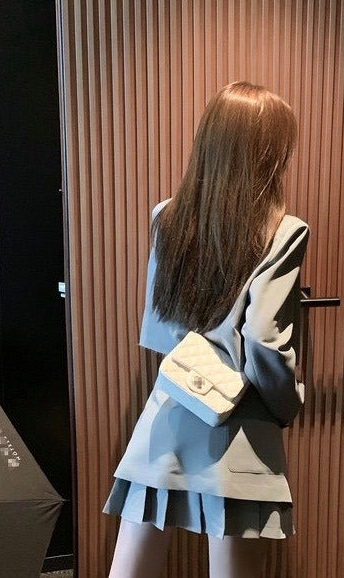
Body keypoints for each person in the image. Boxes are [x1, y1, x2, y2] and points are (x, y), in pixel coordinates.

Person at [103, 81, 310, 578]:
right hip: (243, 424)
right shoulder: (285, 230)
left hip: (171, 408)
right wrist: (287, 403)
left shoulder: (167, 216)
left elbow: (158, 330)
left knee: (133, 566)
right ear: (267, 153)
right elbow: (264, 338)